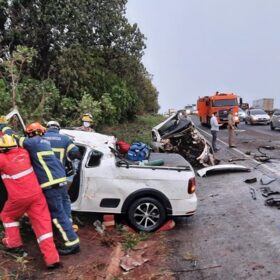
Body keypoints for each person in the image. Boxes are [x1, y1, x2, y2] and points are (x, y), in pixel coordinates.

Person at [1, 122, 80, 255]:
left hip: (51, 184)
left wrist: (3, 127)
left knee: (57, 215)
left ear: (31, 133)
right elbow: (75, 153)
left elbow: (14, 137)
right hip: (61, 181)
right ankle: (68, 235)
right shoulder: (45, 142)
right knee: (64, 211)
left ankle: (72, 243)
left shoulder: (33, 143)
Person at [0, 134, 60, 269]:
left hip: (18, 199)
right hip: (37, 196)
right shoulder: (24, 153)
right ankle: (52, 259)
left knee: (7, 216)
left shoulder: (2, 159)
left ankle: (14, 244)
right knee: (43, 225)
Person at [44, 121, 81, 226]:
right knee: (64, 199)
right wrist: (68, 160)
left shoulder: (40, 138)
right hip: (59, 175)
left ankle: (47, 223)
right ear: (58, 128)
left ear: (47, 128)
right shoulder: (65, 139)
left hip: (42, 176)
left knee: (43, 200)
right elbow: (76, 153)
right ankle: (67, 222)